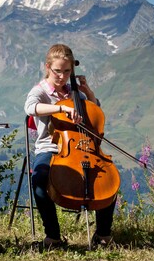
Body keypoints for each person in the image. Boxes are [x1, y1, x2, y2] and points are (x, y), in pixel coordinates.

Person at [24, 44, 115, 248]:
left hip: (83, 148)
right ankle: (53, 237)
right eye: (58, 71)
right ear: (48, 67)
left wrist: (88, 93)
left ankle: (103, 235)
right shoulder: (40, 91)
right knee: (39, 179)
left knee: (108, 180)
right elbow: (30, 108)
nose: (62, 76)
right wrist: (60, 108)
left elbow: (95, 114)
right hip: (51, 148)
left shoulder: (75, 94)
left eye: (67, 71)